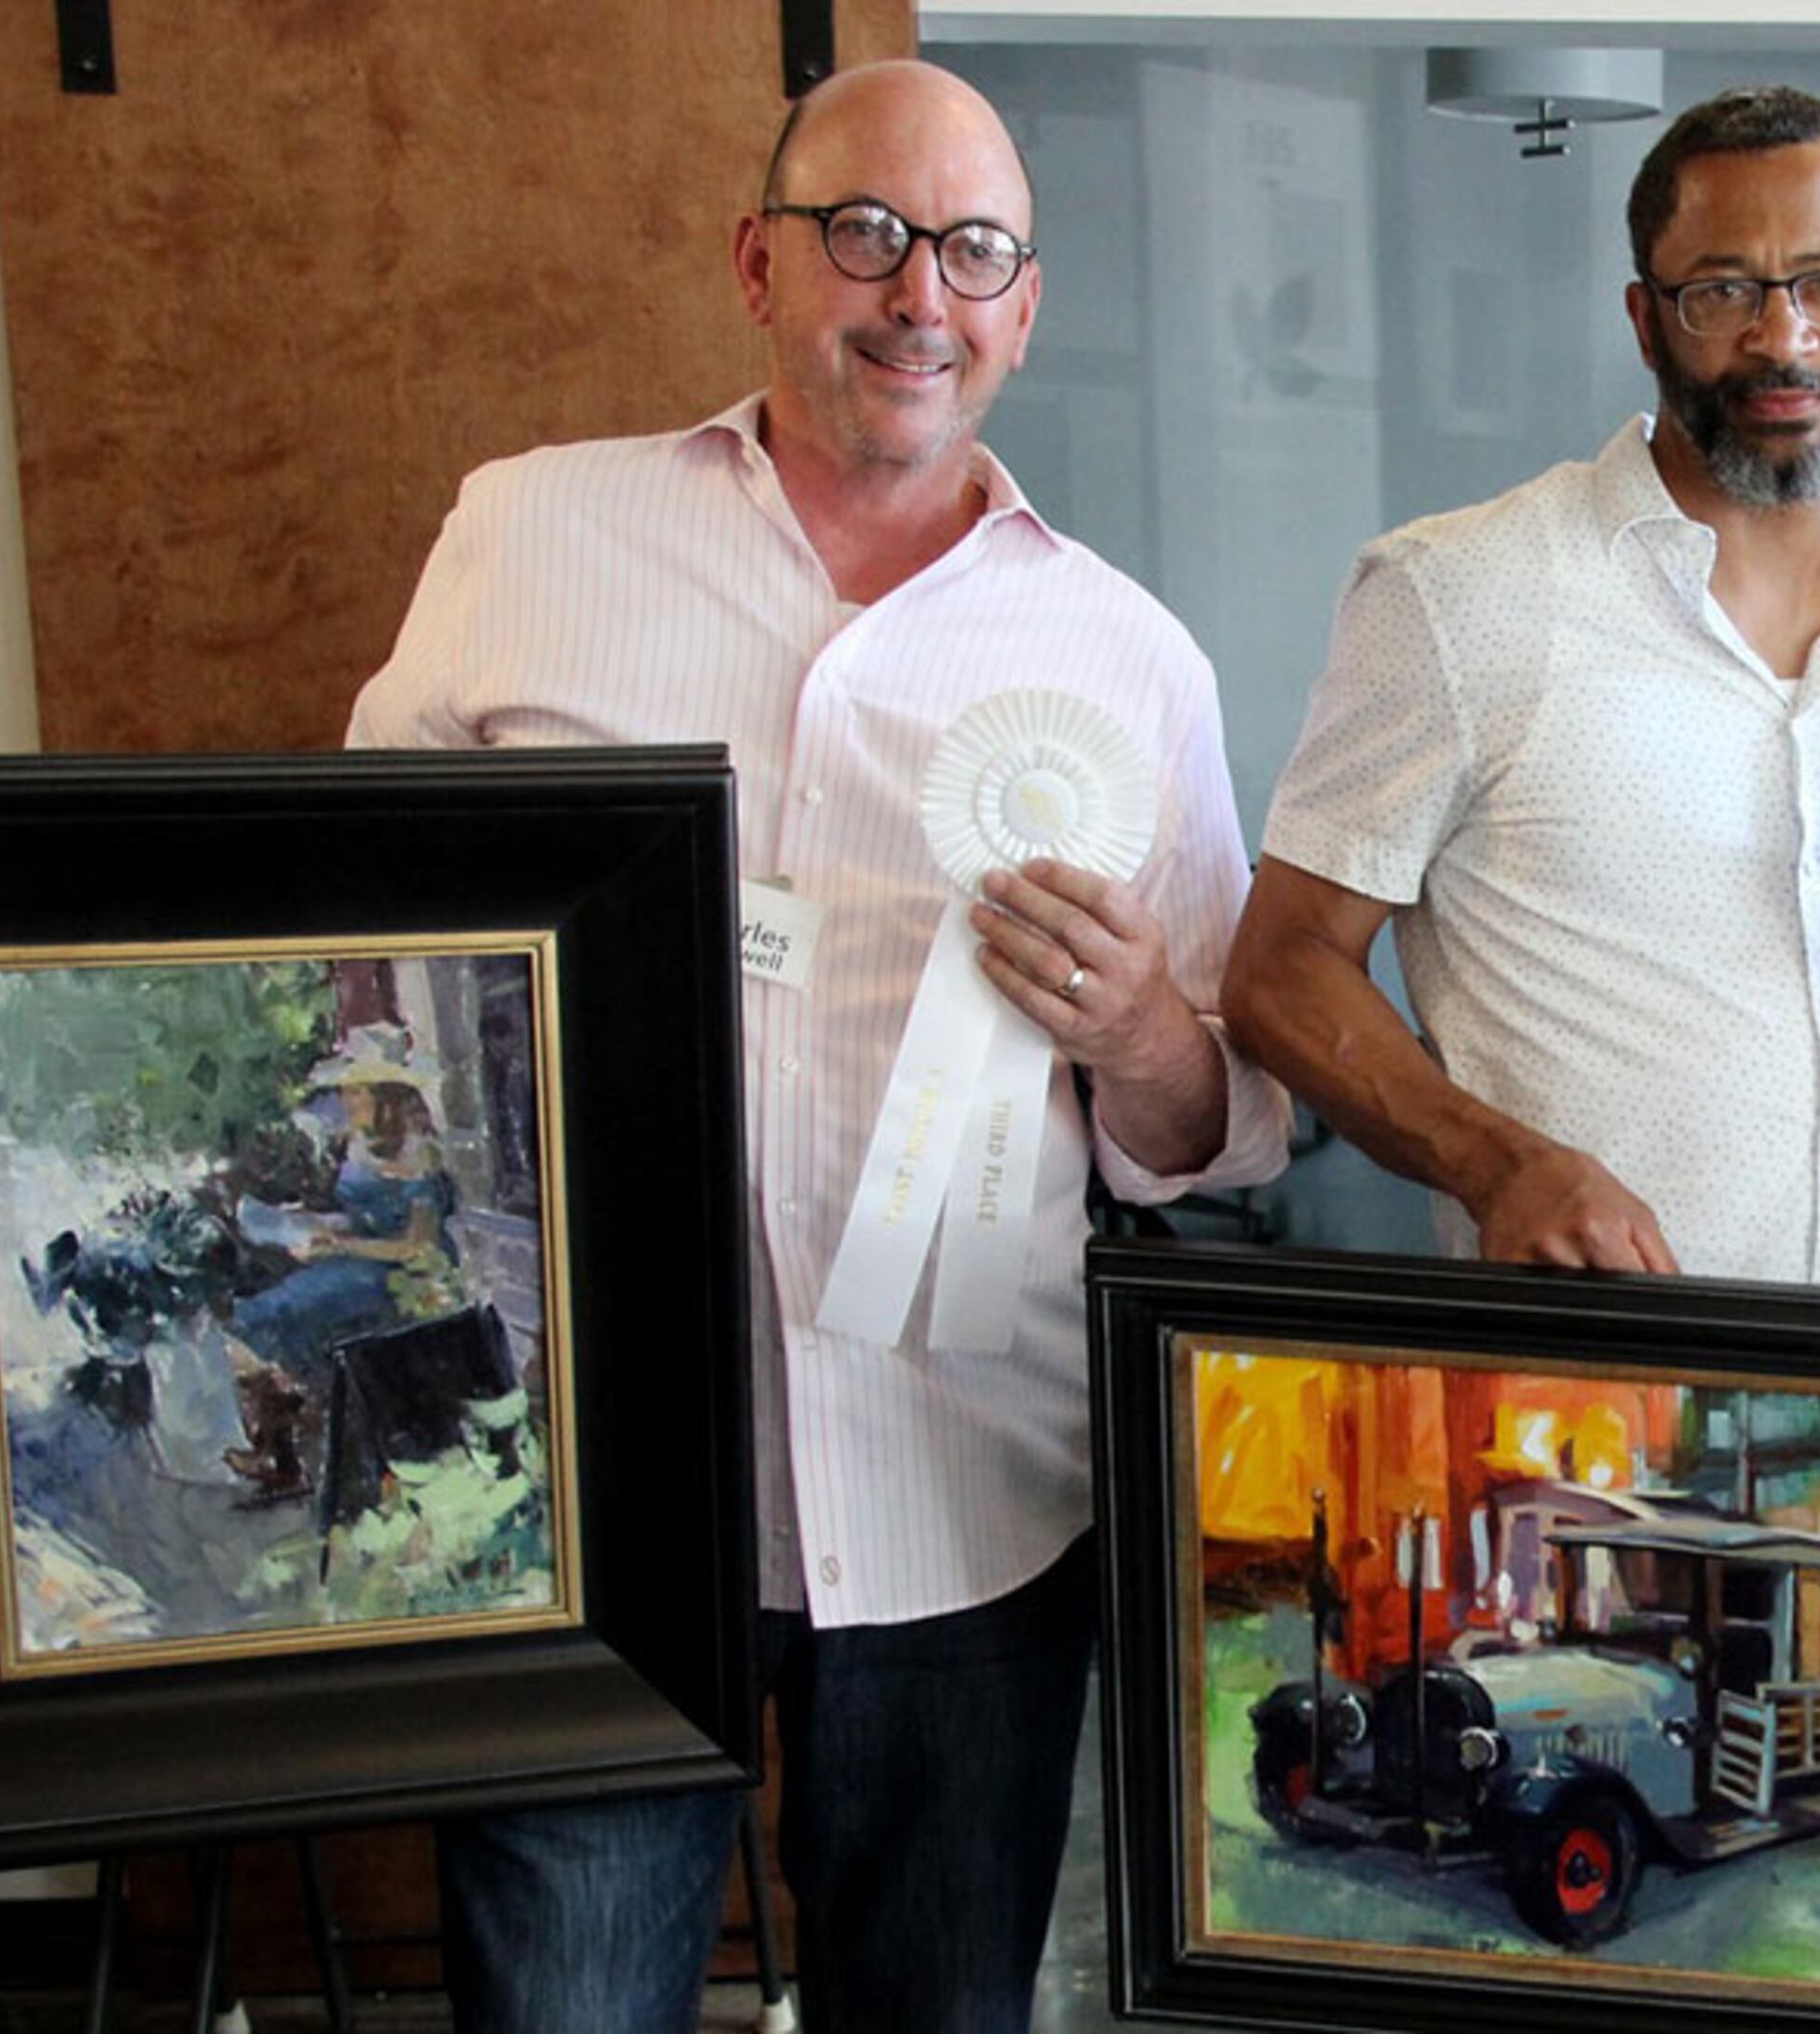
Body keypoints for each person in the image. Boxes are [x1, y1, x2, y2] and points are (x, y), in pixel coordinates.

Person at [347, 60, 1286, 2034]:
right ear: (760, 260)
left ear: (1025, 307)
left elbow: (1216, 1133)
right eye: (864, 232)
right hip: (591, 1492)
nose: (913, 293)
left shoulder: (1133, 658)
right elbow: (359, 949)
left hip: (969, 1502)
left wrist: (1136, 1031)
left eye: (971, 251)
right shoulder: (527, 536)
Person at [1224, 86, 1820, 1283]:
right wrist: (1494, 1164)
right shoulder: (1460, 591)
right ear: (1647, 322)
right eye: (1722, 291)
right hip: (1587, 1408)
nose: (1783, 337)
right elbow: (1279, 972)